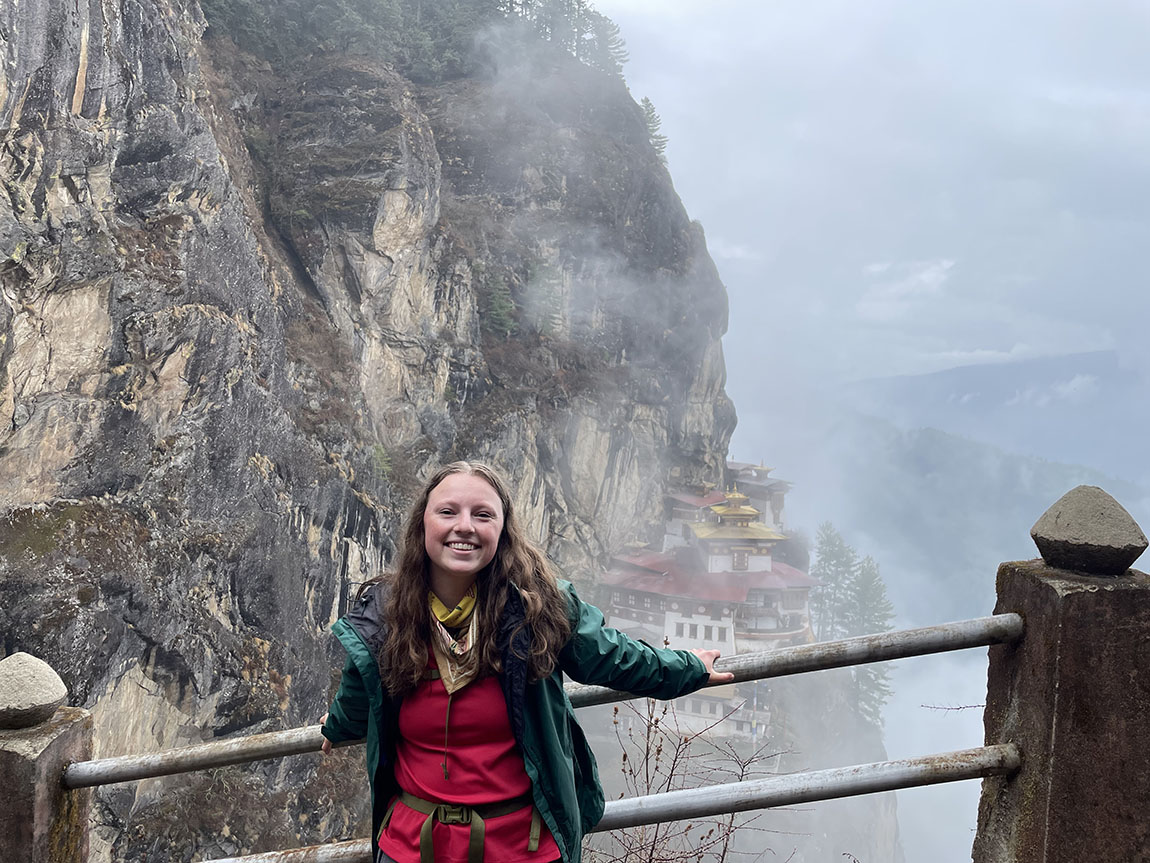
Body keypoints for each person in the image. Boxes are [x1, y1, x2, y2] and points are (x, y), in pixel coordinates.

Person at [320, 461, 734, 863]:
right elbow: (361, 686)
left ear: (502, 530)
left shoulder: (537, 606)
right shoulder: (384, 614)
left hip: (520, 845)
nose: (464, 526)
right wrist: (337, 726)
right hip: (414, 844)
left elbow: (611, 657)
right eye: (447, 512)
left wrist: (688, 668)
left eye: (483, 515)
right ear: (422, 524)